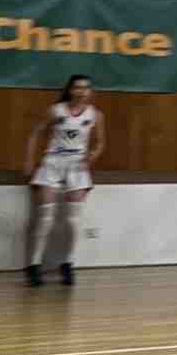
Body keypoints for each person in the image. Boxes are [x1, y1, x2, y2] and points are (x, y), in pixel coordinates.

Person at [25, 74, 103, 287]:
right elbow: (34, 134)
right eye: (77, 87)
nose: (81, 91)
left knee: (73, 221)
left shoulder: (95, 114)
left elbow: (100, 143)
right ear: (70, 90)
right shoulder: (56, 110)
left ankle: (68, 263)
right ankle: (34, 265)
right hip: (52, 164)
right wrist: (29, 163)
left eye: (86, 87)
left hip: (77, 168)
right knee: (46, 219)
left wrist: (93, 155)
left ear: (90, 92)